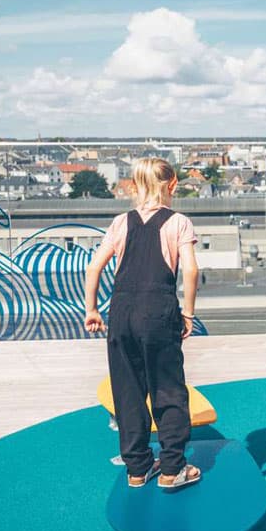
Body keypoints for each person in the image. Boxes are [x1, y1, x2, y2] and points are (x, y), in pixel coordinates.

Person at [84, 157, 202, 489]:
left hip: (120, 310)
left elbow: (94, 268)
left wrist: (91, 310)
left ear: (133, 187)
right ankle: (171, 469)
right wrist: (188, 313)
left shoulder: (121, 222)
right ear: (173, 184)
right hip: (158, 310)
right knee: (167, 390)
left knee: (128, 391)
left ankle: (137, 469)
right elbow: (190, 270)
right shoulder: (179, 222)